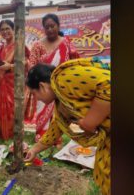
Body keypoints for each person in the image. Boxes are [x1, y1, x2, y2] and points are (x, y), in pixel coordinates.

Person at [24, 57, 111, 195]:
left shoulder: (63, 78)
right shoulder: (60, 99)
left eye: (34, 94)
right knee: (105, 171)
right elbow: (58, 126)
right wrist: (34, 149)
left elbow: (108, 83)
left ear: (42, 86)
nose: (36, 99)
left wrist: (89, 122)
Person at [28, 13, 80, 146]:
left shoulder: (66, 43)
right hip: (42, 88)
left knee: (59, 113)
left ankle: (56, 138)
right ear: (43, 29)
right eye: (47, 27)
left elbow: (74, 62)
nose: (50, 29)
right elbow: (32, 66)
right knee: (42, 113)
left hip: (61, 87)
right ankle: (41, 137)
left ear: (58, 26)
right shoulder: (37, 45)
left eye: (53, 26)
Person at [0, 20, 34, 140]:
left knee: (14, 107)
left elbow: (28, 63)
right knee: (3, 107)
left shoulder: (20, 45)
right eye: (2, 29)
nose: (5, 32)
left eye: (8, 29)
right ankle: (3, 132)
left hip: (15, 82)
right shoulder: (1, 47)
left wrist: (11, 66)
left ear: (13, 30)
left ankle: (14, 133)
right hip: (3, 82)